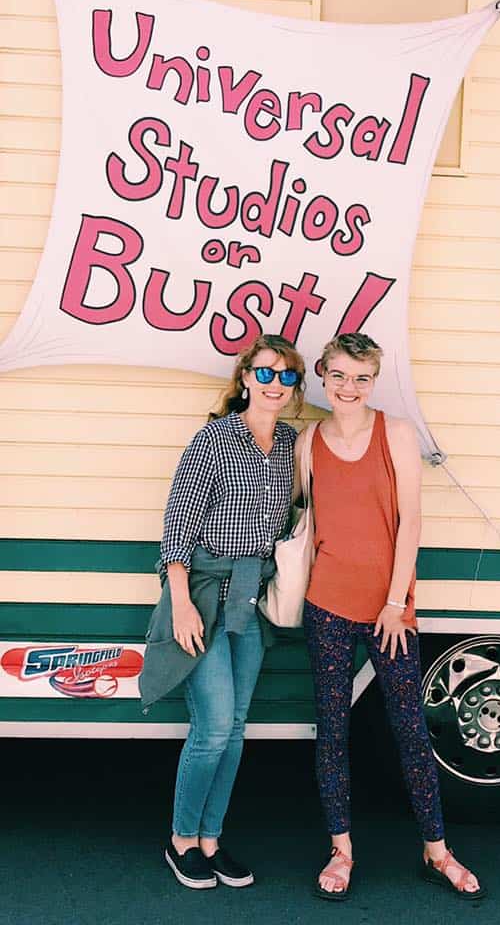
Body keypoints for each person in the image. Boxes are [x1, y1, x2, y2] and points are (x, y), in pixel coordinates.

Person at [297, 332, 484, 902]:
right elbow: (306, 520)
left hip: (391, 611)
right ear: (323, 376)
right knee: (332, 731)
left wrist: (395, 601)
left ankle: (437, 851)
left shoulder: (396, 434)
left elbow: (411, 522)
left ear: (374, 381)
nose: (349, 387)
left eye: (362, 378)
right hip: (325, 603)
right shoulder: (308, 441)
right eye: (339, 376)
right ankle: (342, 850)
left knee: (409, 730)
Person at [142, 334, 304, 890]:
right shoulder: (214, 438)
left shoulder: (290, 445)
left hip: (250, 598)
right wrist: (181, 603)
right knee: (211, 727)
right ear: (244, 379)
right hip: (205, 594)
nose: (275, 384)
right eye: (265, 373)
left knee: (235, 728)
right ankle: (181, 839)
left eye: (286, 376)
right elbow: (177, 525)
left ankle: (211, 840)